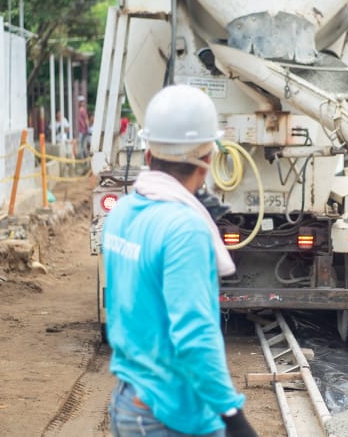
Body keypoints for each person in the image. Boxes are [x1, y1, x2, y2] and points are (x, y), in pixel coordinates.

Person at [102, 84, 256, 437]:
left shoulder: (123, 212)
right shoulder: (185, 229)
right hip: (170, 415)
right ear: (207, 162)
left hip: (131, 399)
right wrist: (232, 415)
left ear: (148, 153)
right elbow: (195, 335)